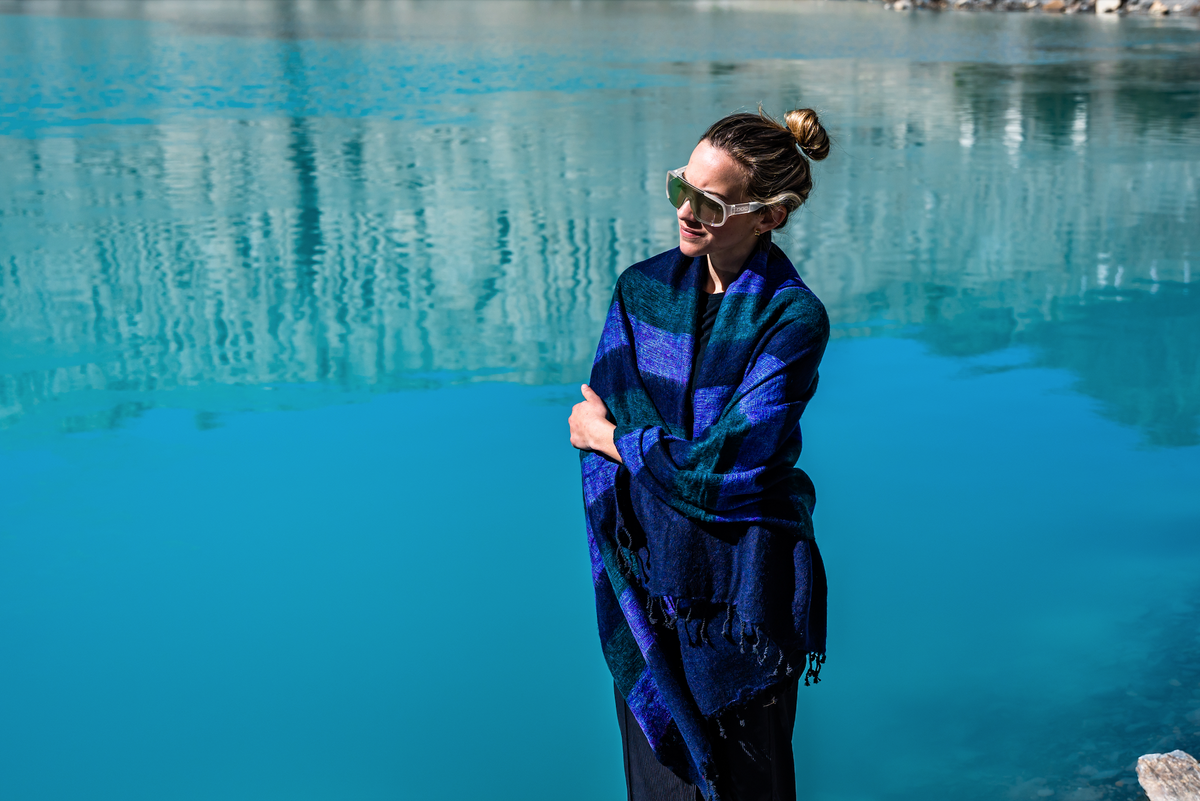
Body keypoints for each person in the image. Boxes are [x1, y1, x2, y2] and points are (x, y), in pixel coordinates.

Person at [568, 107, 832, 801]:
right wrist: (655, 458)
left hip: (742, 599)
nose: (686, 211)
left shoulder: (792, 318)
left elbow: (729, 471)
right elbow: (658, 465)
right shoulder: (640, 292)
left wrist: (613, 440)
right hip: (650, 592)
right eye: (679, 186)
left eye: (710, 202)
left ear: (768, 216)